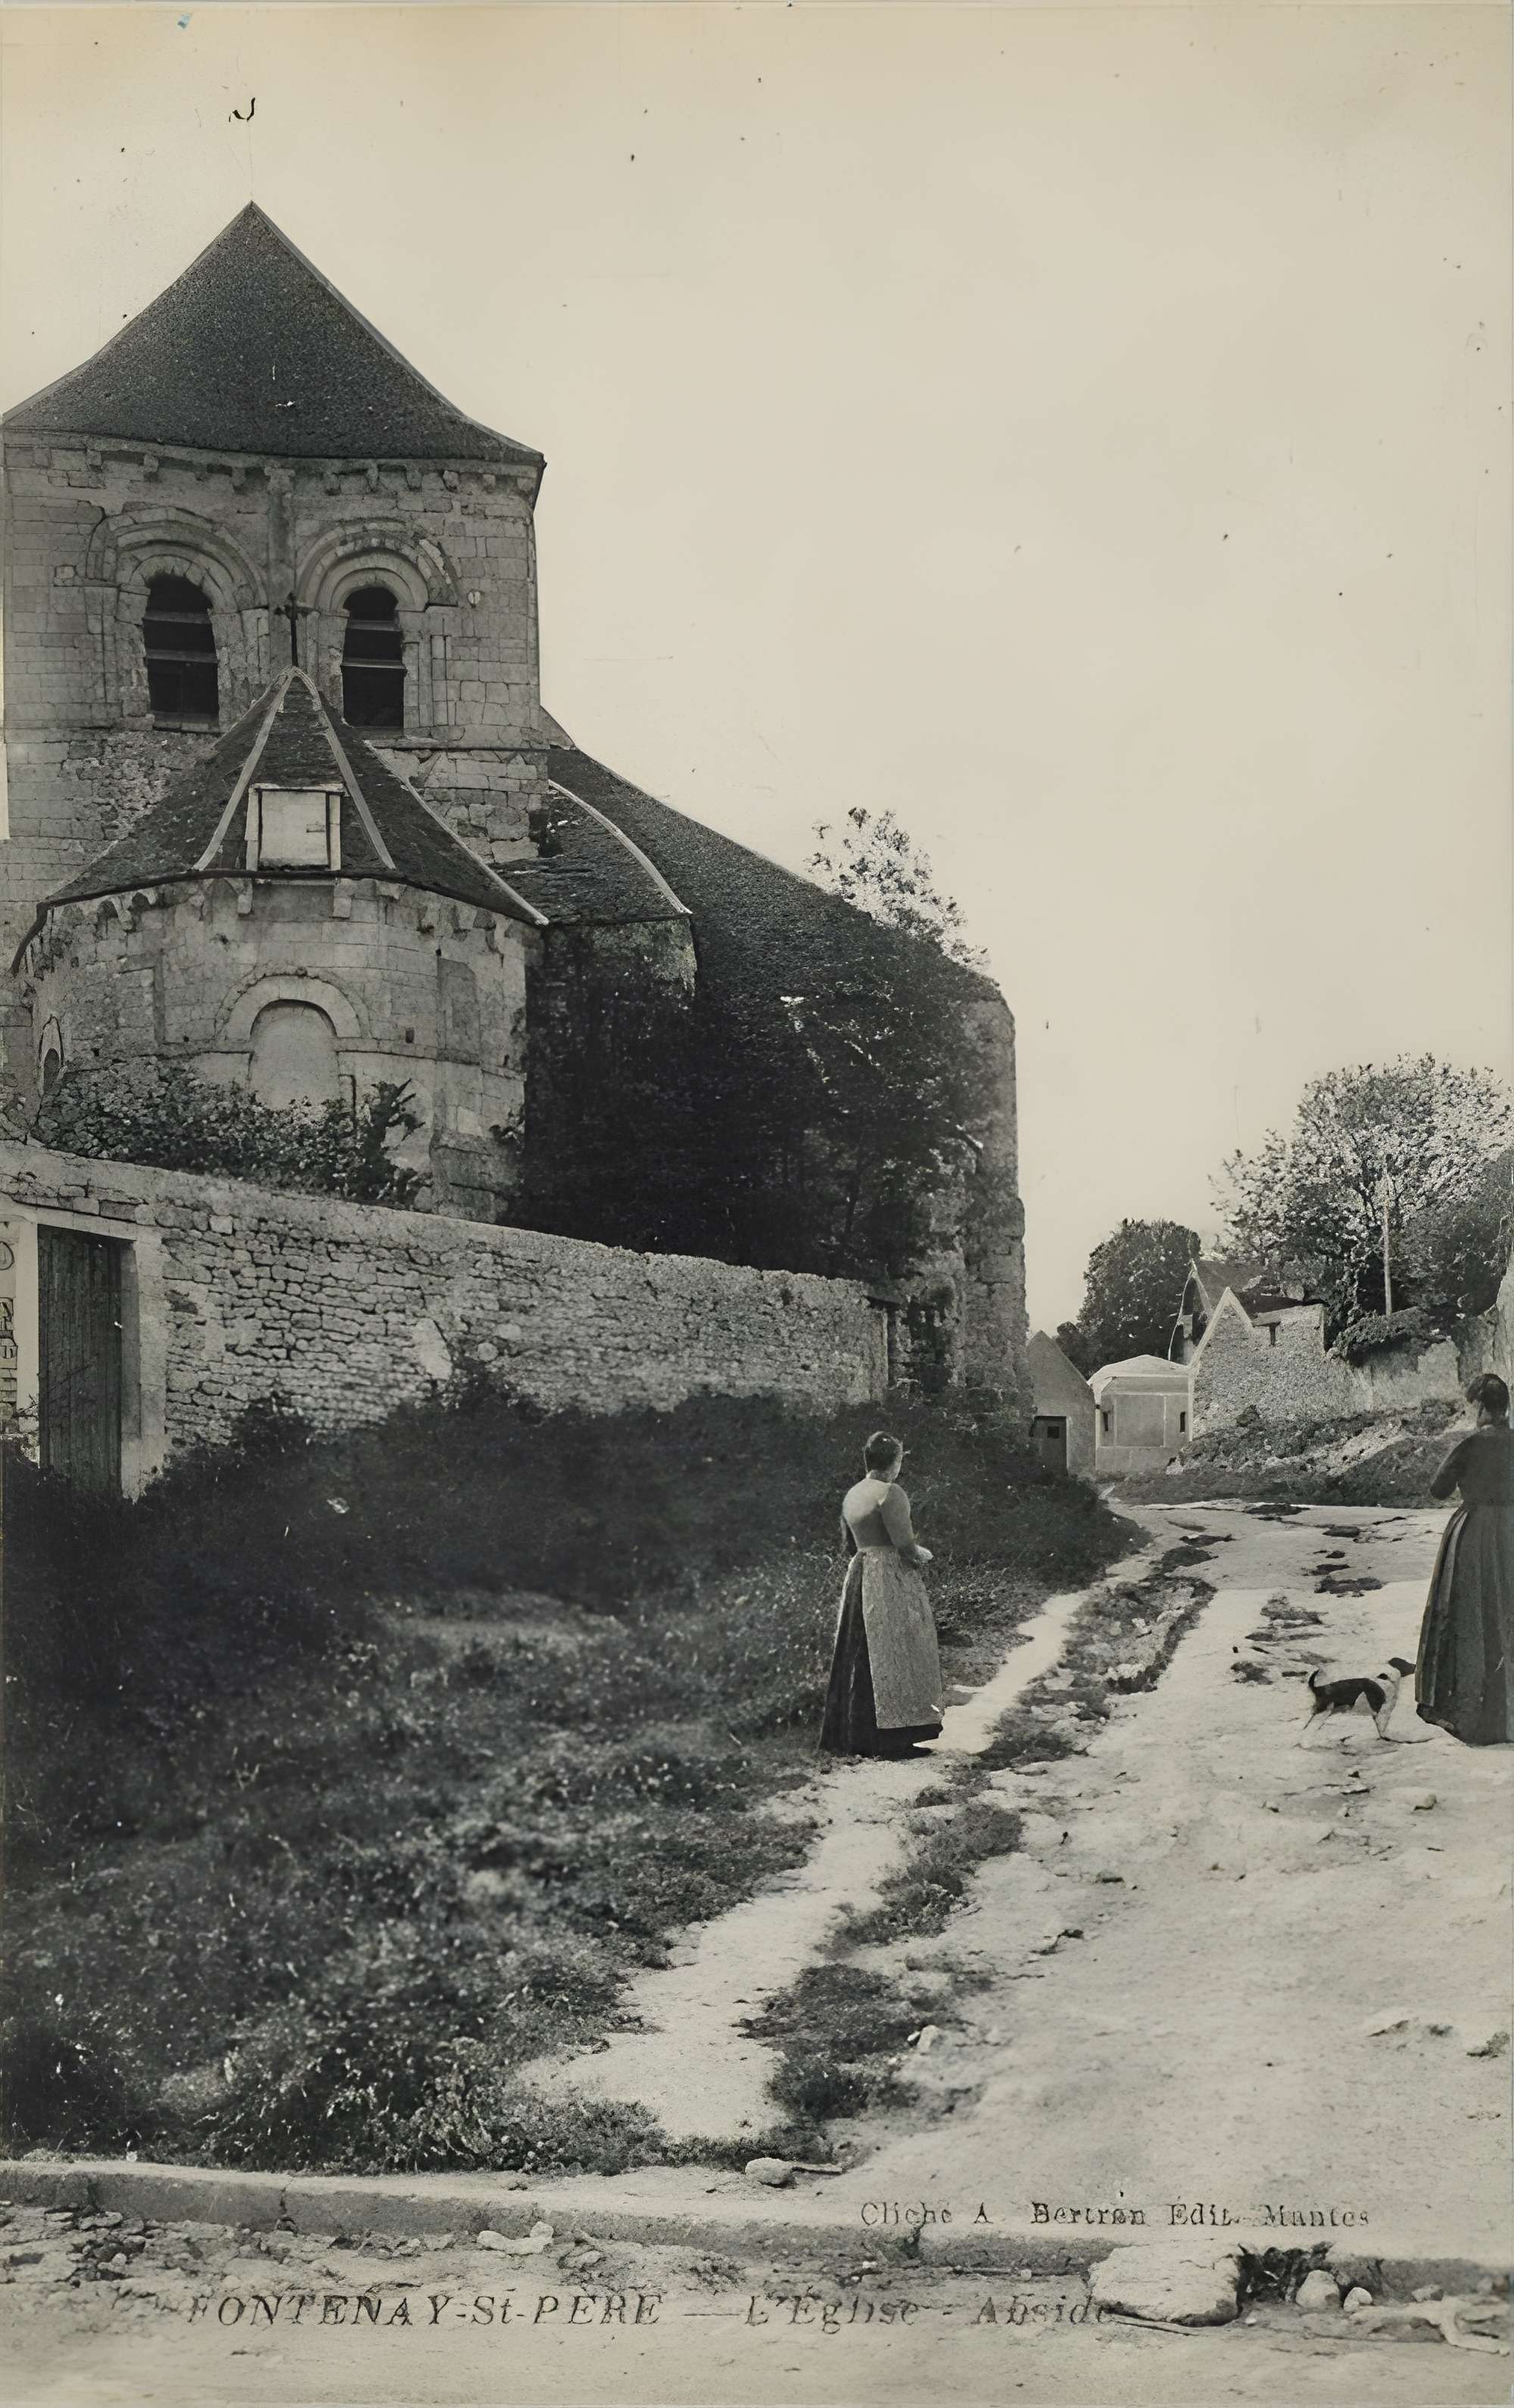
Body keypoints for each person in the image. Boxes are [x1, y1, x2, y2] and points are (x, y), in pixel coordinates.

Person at [821, 1431, 945, 1758]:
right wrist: (922, 1555)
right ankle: (893, 1739)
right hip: (888, 1576)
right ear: (894, 1462)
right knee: (896, 1648)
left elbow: (848, 1545)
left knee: (861, 1648)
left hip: (859, 1573)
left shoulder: (853, 1494)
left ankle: (856, 1735)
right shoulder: (891, 1492)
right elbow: (905, 1544)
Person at [1416, 1373, 1514, 1747]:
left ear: (1481, 1408)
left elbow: (1438, 1490)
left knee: (1471, 1615)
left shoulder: (1471, 1445)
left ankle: (1470, 1713)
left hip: (1475, 1534)